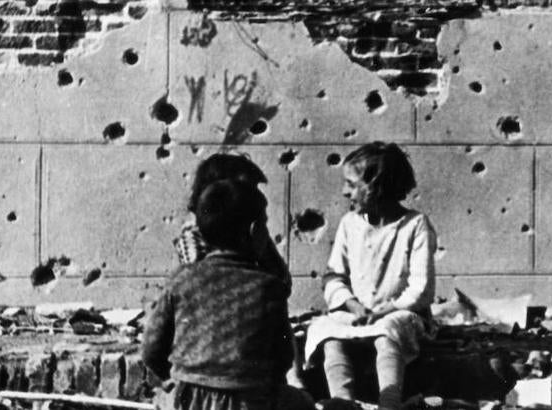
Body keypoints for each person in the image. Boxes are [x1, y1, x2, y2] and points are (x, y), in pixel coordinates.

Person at [143, 179, 306, 410]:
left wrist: (171, 378)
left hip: (188, 399)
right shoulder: (270, 287)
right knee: (303, 403)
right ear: (253, 230)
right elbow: (284, 357)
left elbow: (151, 349)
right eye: (265, 225)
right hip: (250, 401)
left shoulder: (181, 279)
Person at [304, 142, 437, 410]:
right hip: (358, 312)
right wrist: (353, 305)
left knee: (388, 332)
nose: (344, 192)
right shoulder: (349, 224)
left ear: (377, 186)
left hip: (400, 313)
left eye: (351, 185)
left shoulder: (415, 225)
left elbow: (421, 287)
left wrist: (388, 309)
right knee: (325, 330)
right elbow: (333, 276)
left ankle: (389, 402)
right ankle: (343, 401)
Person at [175, 153, 288, 283]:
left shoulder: (250, 229)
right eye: (247, 189)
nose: (255, 195)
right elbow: (202, 286)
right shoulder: (193, 235)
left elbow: (282, 279)